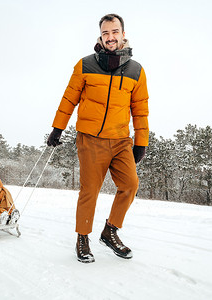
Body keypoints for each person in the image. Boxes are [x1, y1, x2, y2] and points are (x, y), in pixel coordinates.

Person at [47, 13, 149, 263]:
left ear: (123, 34)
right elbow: (69, 99)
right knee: (89, 190)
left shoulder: (136, 71)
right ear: (100, 36)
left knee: (130, 184)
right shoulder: (85, 65)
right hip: (91, 139)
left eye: (115, 32)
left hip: (121, 140)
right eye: (106, 33)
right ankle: (83, 237)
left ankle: (110, 231)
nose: (110, 37)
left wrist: (141, 142)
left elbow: (140, 109)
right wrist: (57, 129)